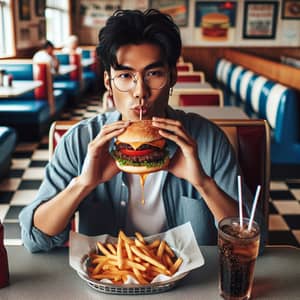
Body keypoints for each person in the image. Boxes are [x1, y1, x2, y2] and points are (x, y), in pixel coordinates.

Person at [19, 9, 264, 253]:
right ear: (108, 82)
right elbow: (34, 239)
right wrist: (83, 184)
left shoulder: (208, 140)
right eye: (125, 75)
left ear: (173, 77)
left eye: (154, 74)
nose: (140, 92)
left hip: (192, 283)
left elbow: (256, 243)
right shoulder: (81, 141)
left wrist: (203, 183)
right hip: (105, 279)